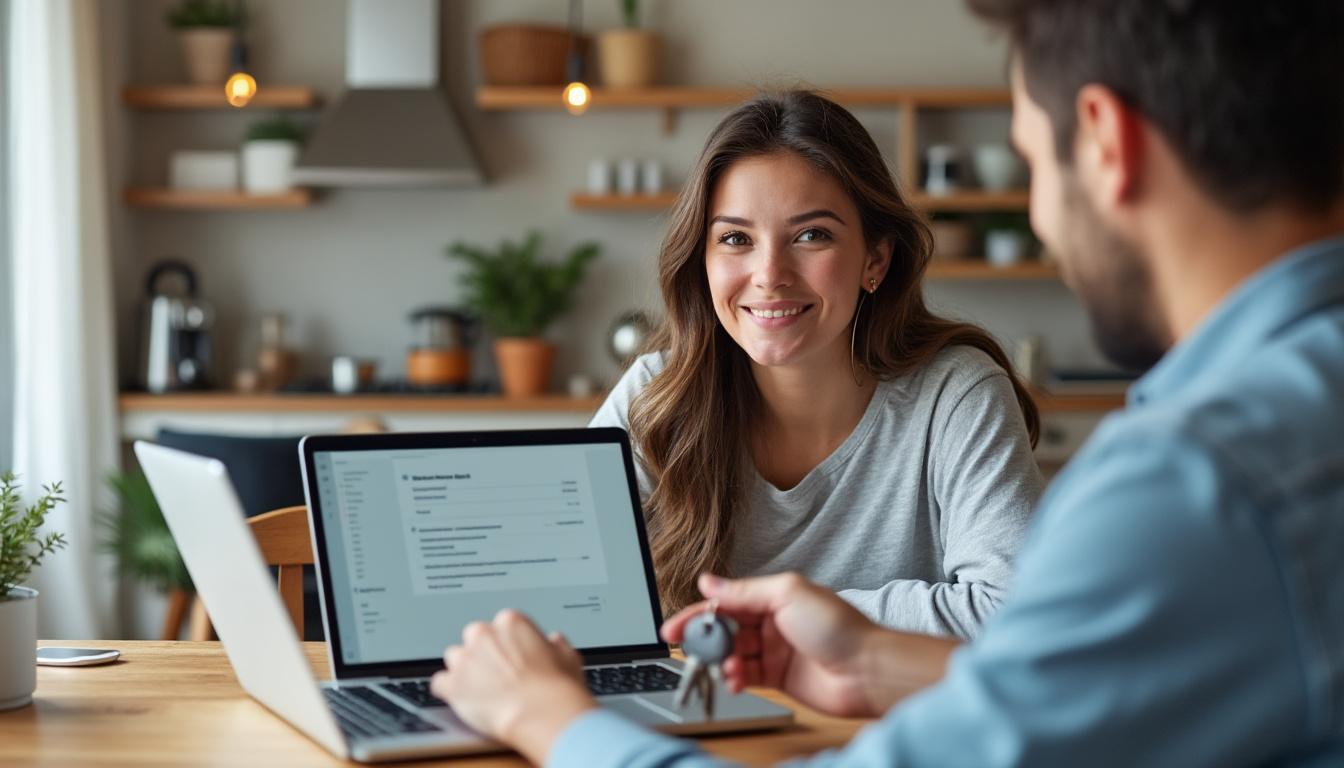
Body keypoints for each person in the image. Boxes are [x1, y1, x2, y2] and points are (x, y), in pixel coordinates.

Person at [430, 0, 1344, 764]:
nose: (1040, 217)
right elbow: (1096, 695)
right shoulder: (1290, 414)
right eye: (736, 238)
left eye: (1029, 158)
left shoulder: (1197, 482)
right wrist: (874, 658)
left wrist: (549, 721)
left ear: (1102, 141)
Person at [589, 90, 1044, 637]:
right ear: (703, 259)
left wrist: (787, 619)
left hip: (888, 722)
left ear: (874, 259)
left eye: (811, 235)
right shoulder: (657, 395)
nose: (769, 274)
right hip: (703, 719)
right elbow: (570, 587)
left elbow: (1018, 614)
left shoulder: (956, 396)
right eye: (735, 238)